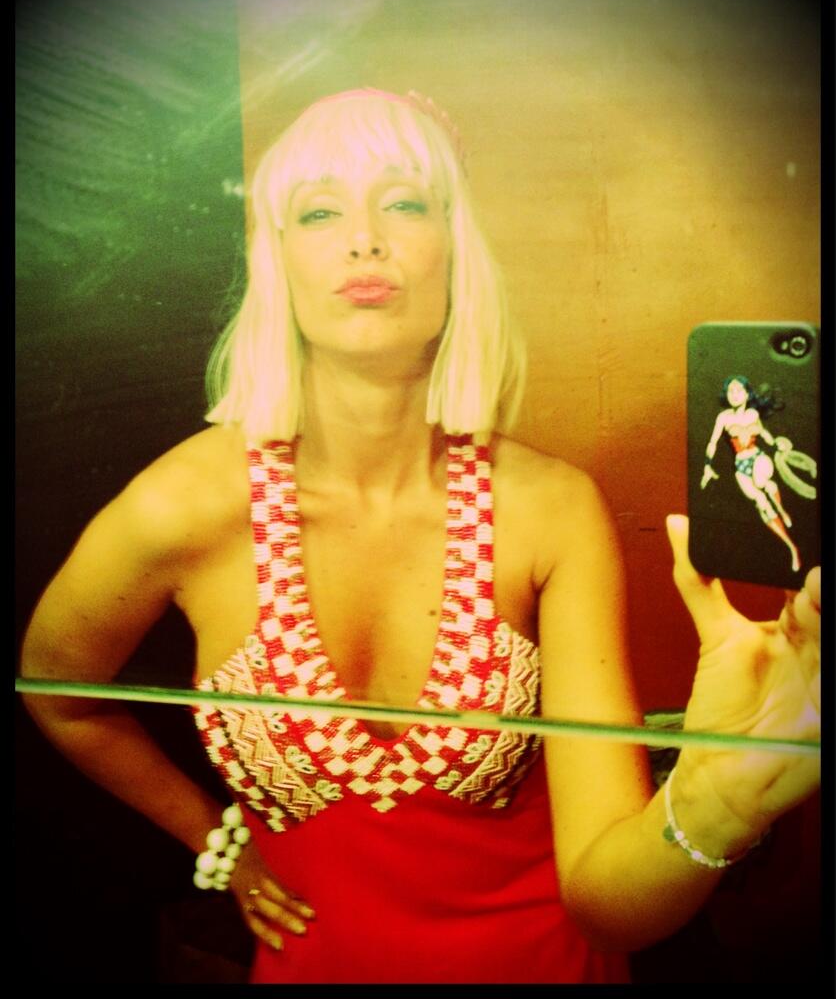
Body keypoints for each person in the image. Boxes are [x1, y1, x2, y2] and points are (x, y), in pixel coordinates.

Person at [21, 89, 821, 984]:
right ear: (275, 257)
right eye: (319, 212)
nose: (365, 238)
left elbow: (608, 905)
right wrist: (216, 841)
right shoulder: (181, 506)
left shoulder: (552, 510)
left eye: (404, 203)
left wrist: (716, 801)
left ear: (456, 248)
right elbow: (60, 693)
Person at [701, 375, 817, 572]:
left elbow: (763, 433)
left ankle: (782, 510)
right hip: (741, 466)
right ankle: (792, 548)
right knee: (761, 503)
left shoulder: (753, 414)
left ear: (747, 394)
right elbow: (713, 442)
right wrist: (707, 465)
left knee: (762, 483)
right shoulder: (723, 417)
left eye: (739, 390)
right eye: (731, 391)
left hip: (758, 458)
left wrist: (776, 444)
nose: (734, 395)